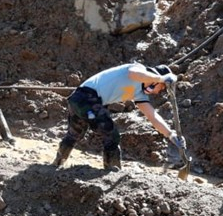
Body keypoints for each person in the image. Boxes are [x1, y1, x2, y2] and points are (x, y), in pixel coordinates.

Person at [52, 62, 187, 171]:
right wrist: (161, 78)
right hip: (87, 97)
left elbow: (153, 117)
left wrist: (170, 135)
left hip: (84, 100)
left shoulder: (140, 94)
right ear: (156, 80)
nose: (159, 92)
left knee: (75, 134)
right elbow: (134, 74)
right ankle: (112, 171)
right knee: (111, 134)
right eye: (162, 88)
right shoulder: (137, 69)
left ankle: (56, 164)